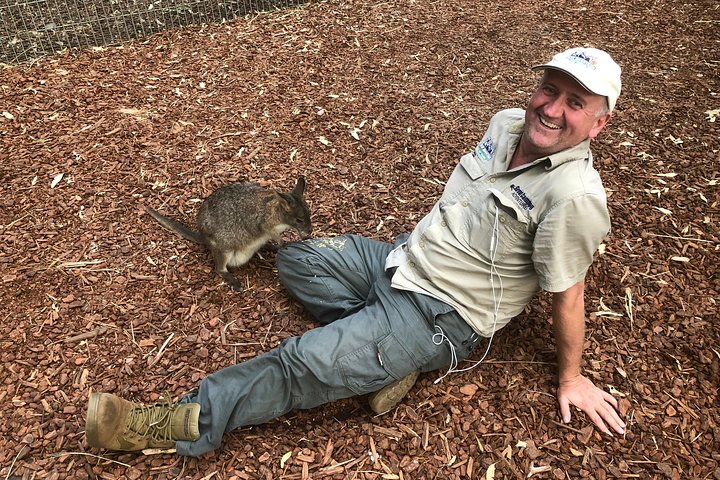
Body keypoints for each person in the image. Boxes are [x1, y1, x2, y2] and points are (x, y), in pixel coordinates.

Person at [85, 47, 627, 456]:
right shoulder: (507, 124)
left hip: (439, 311)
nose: (551, 108)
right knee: (297, 260)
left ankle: (172, 424)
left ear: (598, 124)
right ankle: (383, 360)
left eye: (574, 103)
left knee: (302, 359)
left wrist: (571, 378)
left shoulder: (573, 197)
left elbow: (569, 292)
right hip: (400, 260)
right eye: (548, 90)